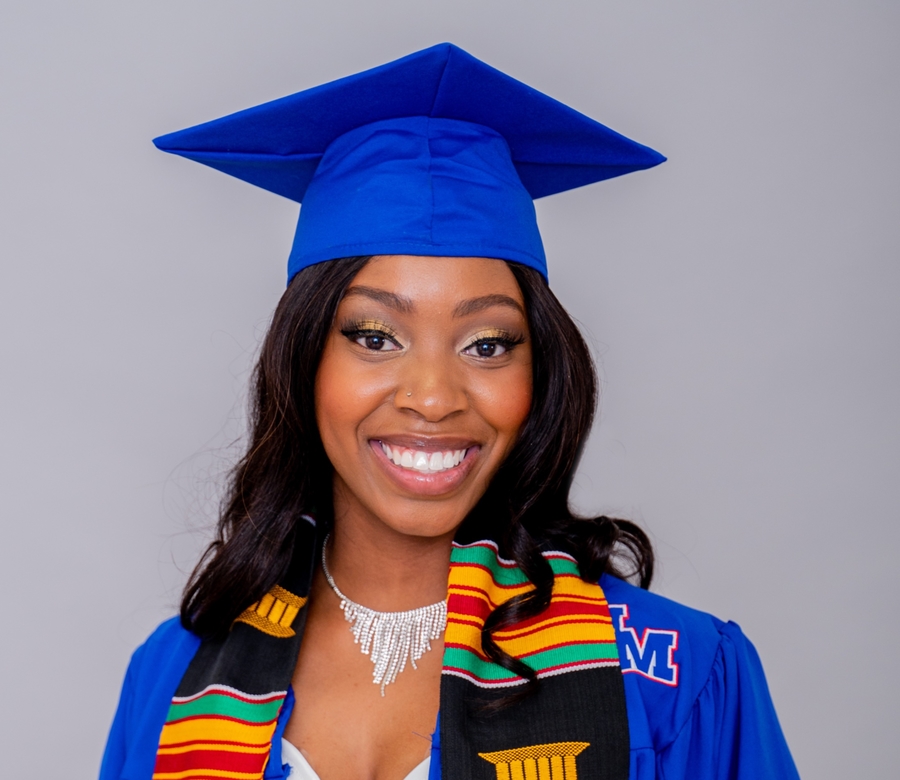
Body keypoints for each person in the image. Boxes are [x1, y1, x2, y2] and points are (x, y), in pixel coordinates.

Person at [100, 44, 800, 780]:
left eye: (487, 345)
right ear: (303, 363)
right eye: (375, 337)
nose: (433, 398)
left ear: (542, 374)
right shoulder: (175, 677)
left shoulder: (676, 680)